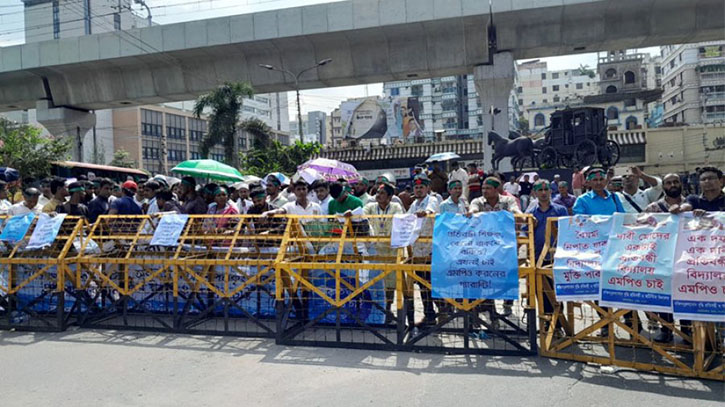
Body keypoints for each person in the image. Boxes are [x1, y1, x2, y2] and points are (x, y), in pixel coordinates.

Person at [468, 176, 521, 320]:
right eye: (483, 188)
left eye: (488, 188)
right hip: (483, 248)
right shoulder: (477, 201)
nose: (484, 191)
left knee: (503, 277)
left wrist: (521, 216)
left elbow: (515, 210)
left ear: (497, 189)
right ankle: (487, 310)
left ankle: (506, 304)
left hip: (503, 248)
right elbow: (473, 209)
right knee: (482, 278)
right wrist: (472, 213)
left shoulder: (508, 201)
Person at [644, 173, 686, 343]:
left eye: (676, 182)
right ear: (664, 187)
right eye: (668, 182)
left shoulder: (691, 204)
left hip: (685, 257)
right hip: (662, 258)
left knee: (685, 295)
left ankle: (687, 331)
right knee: (664, 295)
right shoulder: (654, 208)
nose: (672, 185)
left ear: (681, 184)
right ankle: (666, 330)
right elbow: (643, 228)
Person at [363, 182, 405, 323]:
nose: (378, 195)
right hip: (375, 250)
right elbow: (363, 218)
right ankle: (374, 311)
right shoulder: (370, 207)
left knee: (390, 284)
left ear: (390, 196)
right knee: (374, 281)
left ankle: (387, 310)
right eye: (377, 193)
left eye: (382, 193)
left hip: (391, 251)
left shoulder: (396, 207)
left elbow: (399, 221)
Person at [406, 173, 440, 326]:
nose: (419, 190)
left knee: (433, 284)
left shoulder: (431, 200)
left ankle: (443, 311)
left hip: (431, 249)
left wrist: (424, 213)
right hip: (417, 251)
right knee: (422, 286)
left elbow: (430, 210)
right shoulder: (414, 204)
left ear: (427, 188)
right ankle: (429, 315)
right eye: (416, 187)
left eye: (421, 187)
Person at [526, 180, 568, 261]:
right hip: (537, 255)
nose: (543, 193)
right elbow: (525, 233)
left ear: (550, 191)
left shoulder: (561, 210)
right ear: (535, 193)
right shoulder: (530, 213)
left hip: (558, 255)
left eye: (546, 189)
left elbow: (567, 232)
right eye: (540, 190)